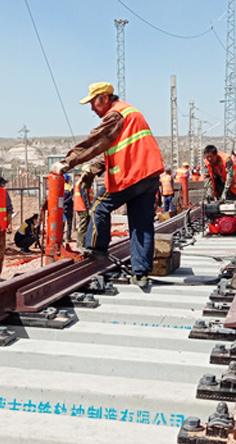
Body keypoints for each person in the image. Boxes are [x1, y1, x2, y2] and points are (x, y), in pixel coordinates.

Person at [49, 81, 164, 289]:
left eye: (93, 103)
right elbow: (118, 151)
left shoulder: (116, 114)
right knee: (141, 225)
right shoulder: (130, 114)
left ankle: (97, 249)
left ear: (104, 98)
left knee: (98, 206)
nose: (92, 109)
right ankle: (141, 274)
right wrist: (91, 171)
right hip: (149, 176)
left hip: (131, 175)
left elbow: (96, 141)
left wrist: (66, 163)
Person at [73, 166, 95, 250]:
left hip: (82, 207)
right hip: (83, 208)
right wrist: (88, 208)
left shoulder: (81, 182)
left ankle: (84, 244)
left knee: (85, 225)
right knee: (83, 226)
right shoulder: (83, 182)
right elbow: (84, 196)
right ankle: (81, 245)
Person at [62, 174, 74, 242]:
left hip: (62, 208)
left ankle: (61, 237)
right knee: (69, 222)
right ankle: (68, 237)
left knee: (62, 223)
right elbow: (72, 197)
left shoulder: (60, 187)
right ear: (68, 180)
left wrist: (63, 202)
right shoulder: (70, 187)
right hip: (69, 207)